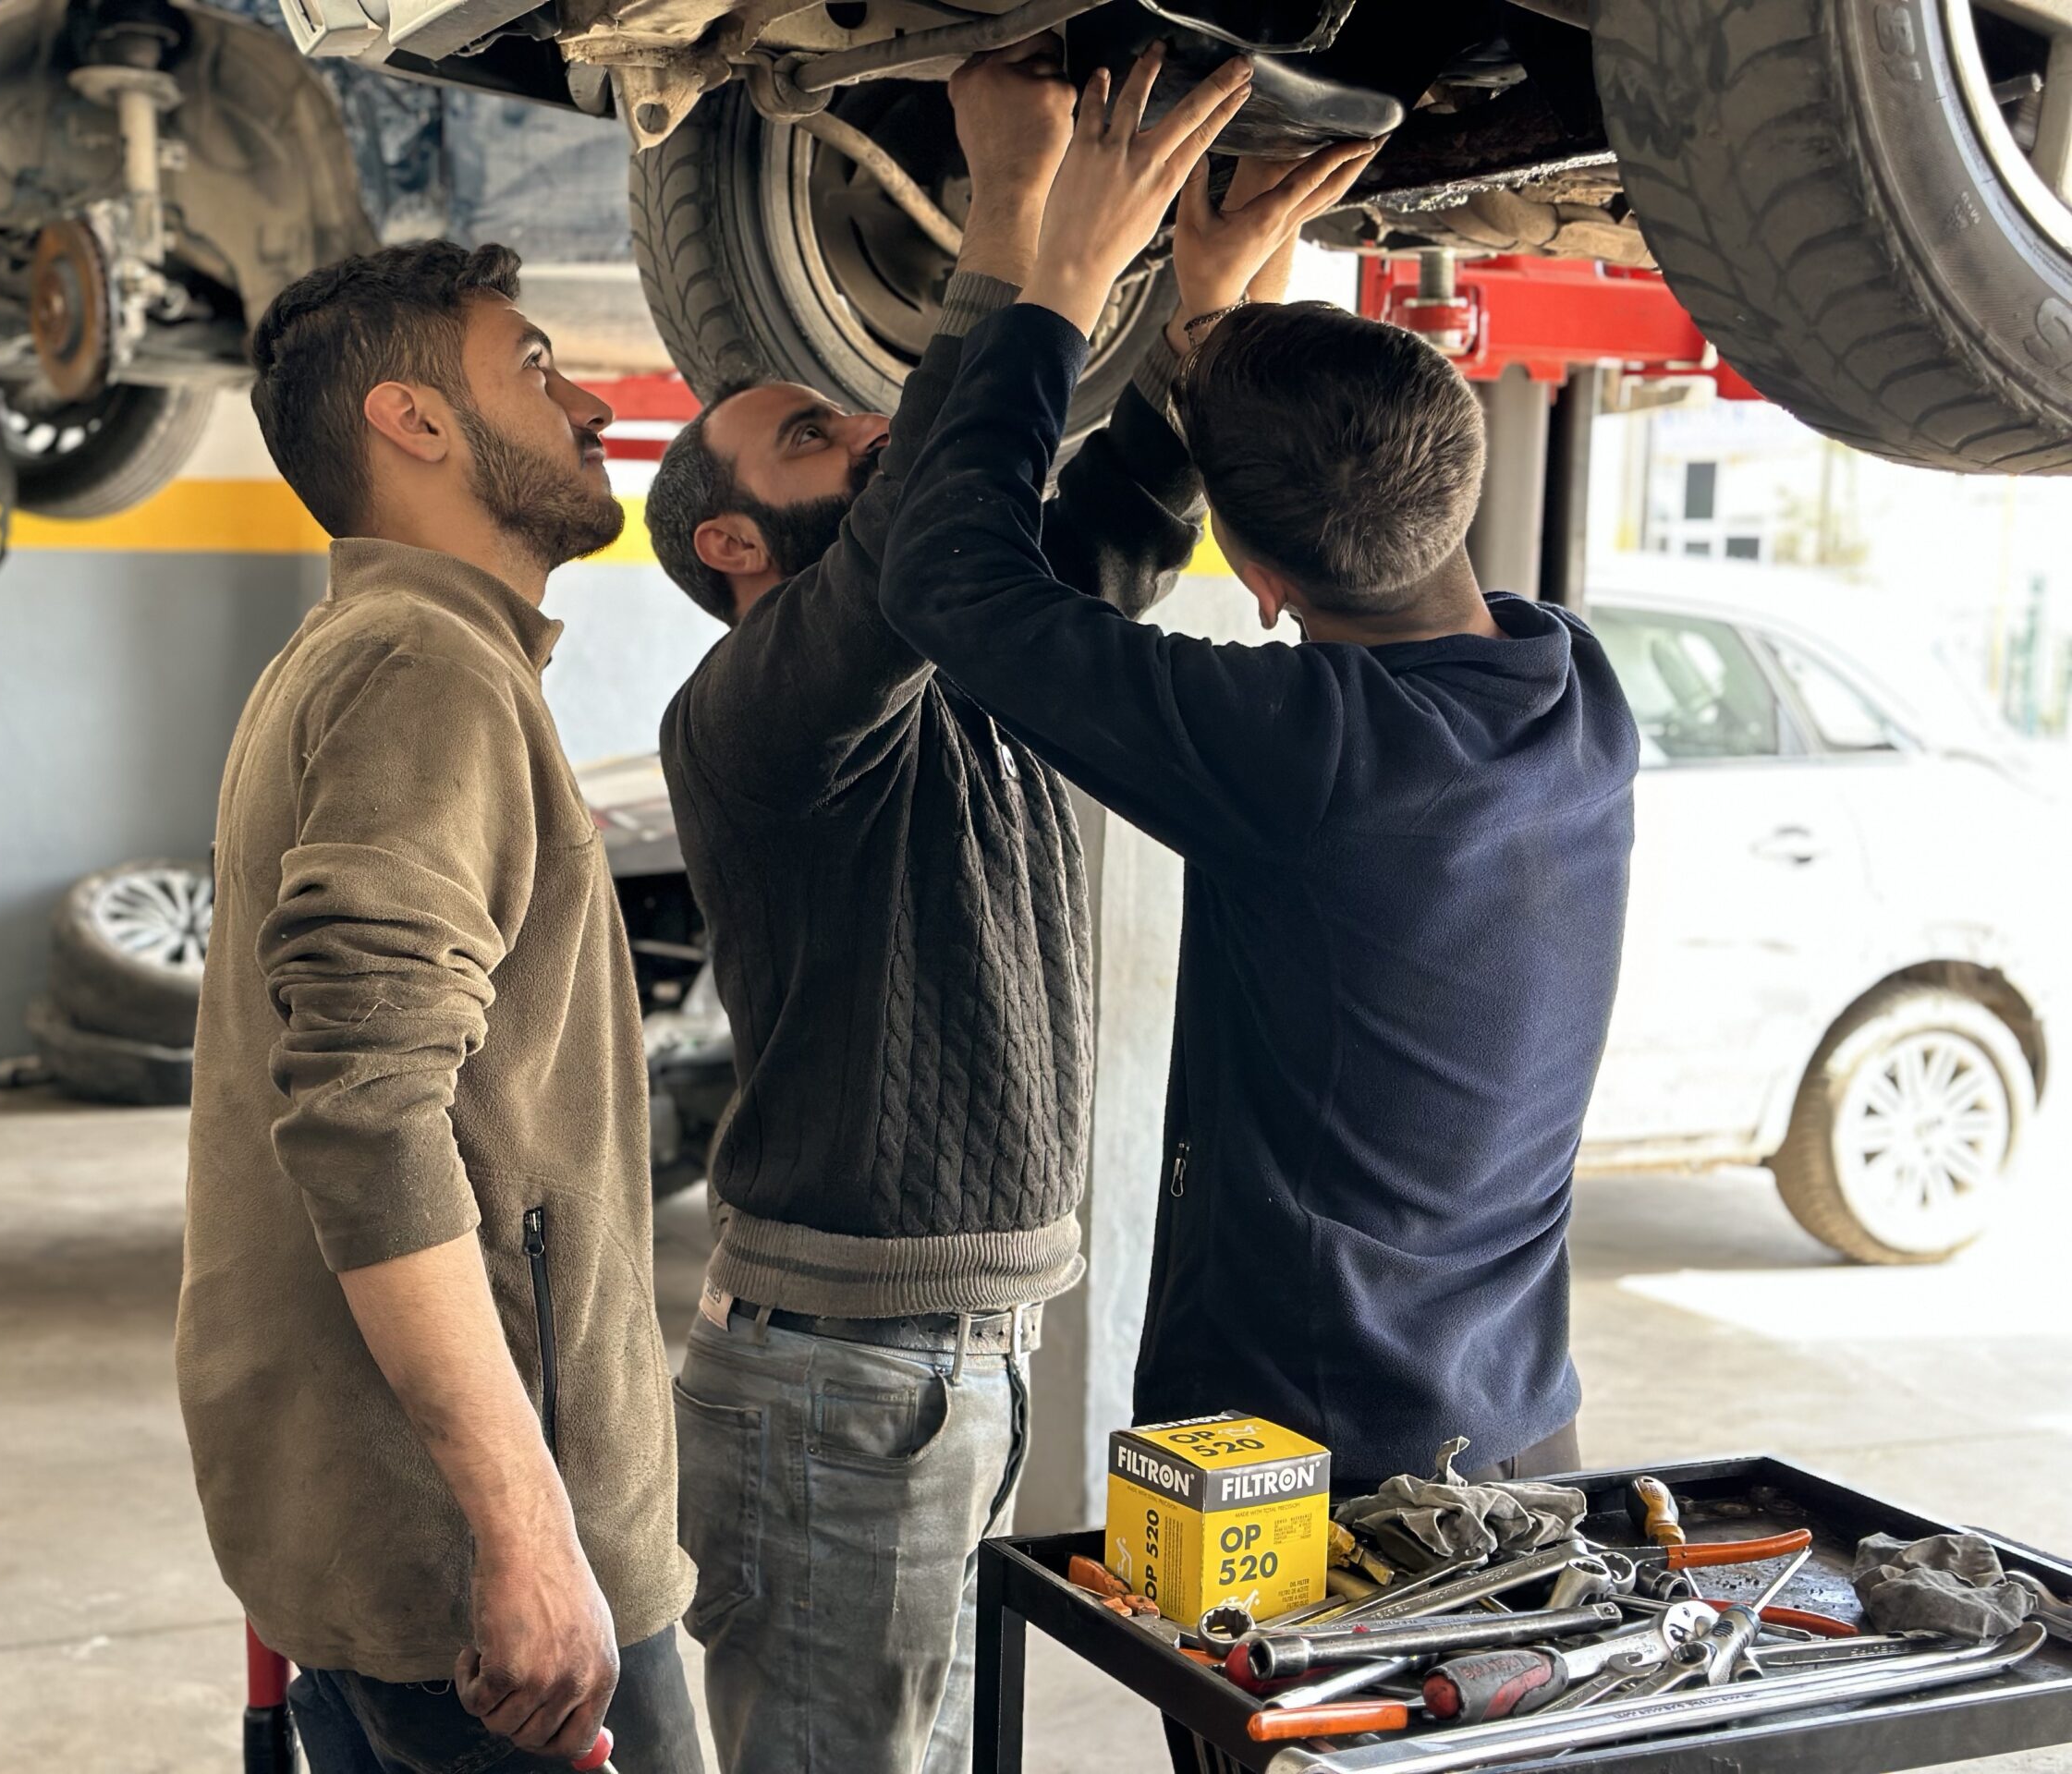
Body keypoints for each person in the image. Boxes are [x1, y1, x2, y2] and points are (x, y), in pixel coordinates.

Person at [877, 49, 1639, 1766]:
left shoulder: (1309, 753)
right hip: (1518, 1443)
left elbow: (950, 581)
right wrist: (1213, 326)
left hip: (1304, 1493)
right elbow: (1347, 539)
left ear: (1257, 583)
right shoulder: (1573, 693)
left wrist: (1052, 267)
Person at [640, 43, 1270, 1774]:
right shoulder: (758, 709)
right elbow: (930, 497)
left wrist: (1207, 295)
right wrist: (1012, 212)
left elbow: (1112, 535)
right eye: (800, 434)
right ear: (737, 553)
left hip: (916, 1373)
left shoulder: (951, 660)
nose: (852, 413)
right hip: (843, 1385)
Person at [177, 239, 698, 1774]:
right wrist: (529, 1531)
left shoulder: (362, 653)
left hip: (395, 1541)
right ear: (413, 422)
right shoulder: (425, 668)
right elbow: (364, 1111)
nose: (591, 401)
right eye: (534, 365)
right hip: (477, 1584)